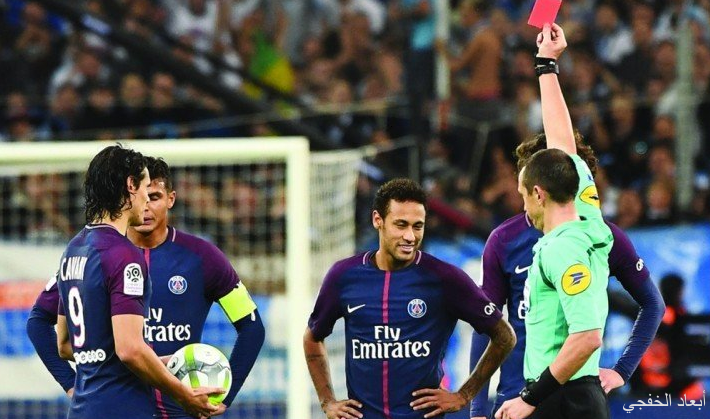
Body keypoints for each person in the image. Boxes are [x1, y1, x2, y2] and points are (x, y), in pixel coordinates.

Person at [27, 155, 265, 418]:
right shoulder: (113, 256)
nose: (147, 205)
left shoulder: (203, 257)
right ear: (130, 190)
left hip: (151, 410)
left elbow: (252, 325)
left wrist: (225, 397)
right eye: (144, 193)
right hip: (128, 407)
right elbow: (40, 322)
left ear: (171, 199)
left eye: (155, 197)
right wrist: (70, 384)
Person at [469, 133, 664, 419]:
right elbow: (486, 323)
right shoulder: (504, 240)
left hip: (568, 395)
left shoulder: (600, 237)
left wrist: (622, 370)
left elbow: (652, 304)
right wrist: (477, 407)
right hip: (515, 397)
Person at [304, 178, 516, 419]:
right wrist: (327, 401)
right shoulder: (344, 275)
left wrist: (464, 395)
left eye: (418, 226)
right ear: (378, 220)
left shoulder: (444, 277)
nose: (410, 236)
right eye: (401, 225)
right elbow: (313, 337)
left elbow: (504, 336)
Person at [495, 24, 613, 419]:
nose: (523, 206)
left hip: (563, 398)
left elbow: (587, 337)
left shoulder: (563, 248)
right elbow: (562, 145)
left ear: (539, 194)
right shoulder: (587, 217)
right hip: (571, 394)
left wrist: (530, 399)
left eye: (523, 194)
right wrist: (546, 65)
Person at [53, 145, 221, 419]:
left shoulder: (74, 248)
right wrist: (184, 395)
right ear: (131, 186)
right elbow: (130, 349)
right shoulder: (124, 255)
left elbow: (64, 344)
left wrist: (161, 362)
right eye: (145, 187)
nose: (146, 199)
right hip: (122, 409)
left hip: (83, 409)